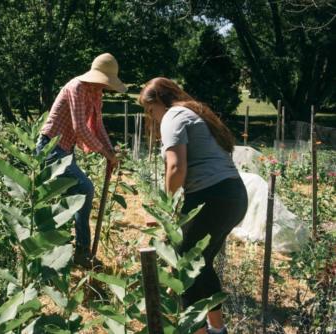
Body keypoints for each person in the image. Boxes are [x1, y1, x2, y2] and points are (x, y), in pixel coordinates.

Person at [138, 77, 248, 334]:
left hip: (211, 196)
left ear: (160, 102)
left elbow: (176, 167)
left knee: (185, 266)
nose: (151, 116)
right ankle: (217, 329)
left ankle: (197, 331)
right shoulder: (192, 112)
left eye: (150, 109)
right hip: (233, 194)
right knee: (201, 263)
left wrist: (165, 209)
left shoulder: (173, 117)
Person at [36, 53, 125, 268]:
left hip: (66, 149)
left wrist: (110, 151)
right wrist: (106, 153)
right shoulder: (76, 87)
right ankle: (80, 251)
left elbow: (98, 125)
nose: (103, 88)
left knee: (74, 198)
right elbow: (80, 128)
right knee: (84, 190)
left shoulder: (95, 93)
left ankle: (73, 253)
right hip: (51, 148)